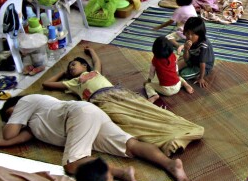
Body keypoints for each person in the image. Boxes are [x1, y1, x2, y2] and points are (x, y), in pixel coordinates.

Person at [41, 46, 205, 156]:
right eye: (70, 68)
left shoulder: (95, 72)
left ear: (85, 66)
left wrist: (91, 51)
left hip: (119, 93)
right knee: (129, 121)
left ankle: (185, 129)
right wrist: (63, 72)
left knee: (147, 109)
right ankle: (170, 141)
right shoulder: (74, 83)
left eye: (73, 65)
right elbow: (46, 84)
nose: (71, 68)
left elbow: (97, 62)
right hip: (101, 102)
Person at [145, 37, 194, 103]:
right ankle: (186, 84)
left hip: (166, 91)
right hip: (177, 86)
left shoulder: (155, 60)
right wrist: (176, 73)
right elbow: (176, 67)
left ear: (154, 50)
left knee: (148, 85)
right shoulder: (173, 56)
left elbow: (152, 73)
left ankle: (153, 95)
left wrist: (148, 80)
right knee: (179, 77)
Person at [177, 17, 214, 87]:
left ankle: (197, 73)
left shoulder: (204, 45)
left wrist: (201, 78)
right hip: (193, 59)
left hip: (204, 66)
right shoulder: (189, 39)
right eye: (187, 33)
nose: (189, 36)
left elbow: (202, 63)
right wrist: (186, 49)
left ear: (199, 34)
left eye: (193, 34)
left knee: (183, 74)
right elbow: (186, 58)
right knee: (175, 65)